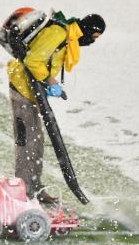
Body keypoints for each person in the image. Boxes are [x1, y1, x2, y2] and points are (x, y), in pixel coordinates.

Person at [6, 13, 105, 204]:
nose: (92, 42)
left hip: (32, 91)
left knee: (36, 141)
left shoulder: (68, 37)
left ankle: (32, 188)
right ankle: (25, 194)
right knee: (28, 142)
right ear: (90, 30)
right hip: (22, 89)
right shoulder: (59, 33)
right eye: (94, 37)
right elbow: (33, 61)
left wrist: (48, 85)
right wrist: (50, 81)